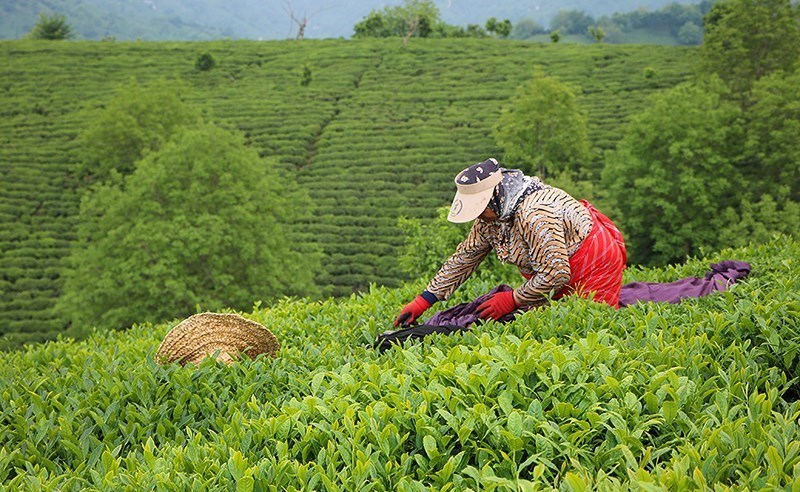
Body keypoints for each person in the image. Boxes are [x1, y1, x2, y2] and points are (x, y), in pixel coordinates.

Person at [394, 158, 627, 327]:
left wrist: (513, 299)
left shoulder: (535, 213)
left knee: (584, 325)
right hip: (554, 268)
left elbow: (555, 275)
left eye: (480, 209)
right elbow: (466, 257)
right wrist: (425, 299)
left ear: (493, 199)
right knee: (541, 321)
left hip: (592, 263)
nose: (478, 217)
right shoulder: (492, 215)